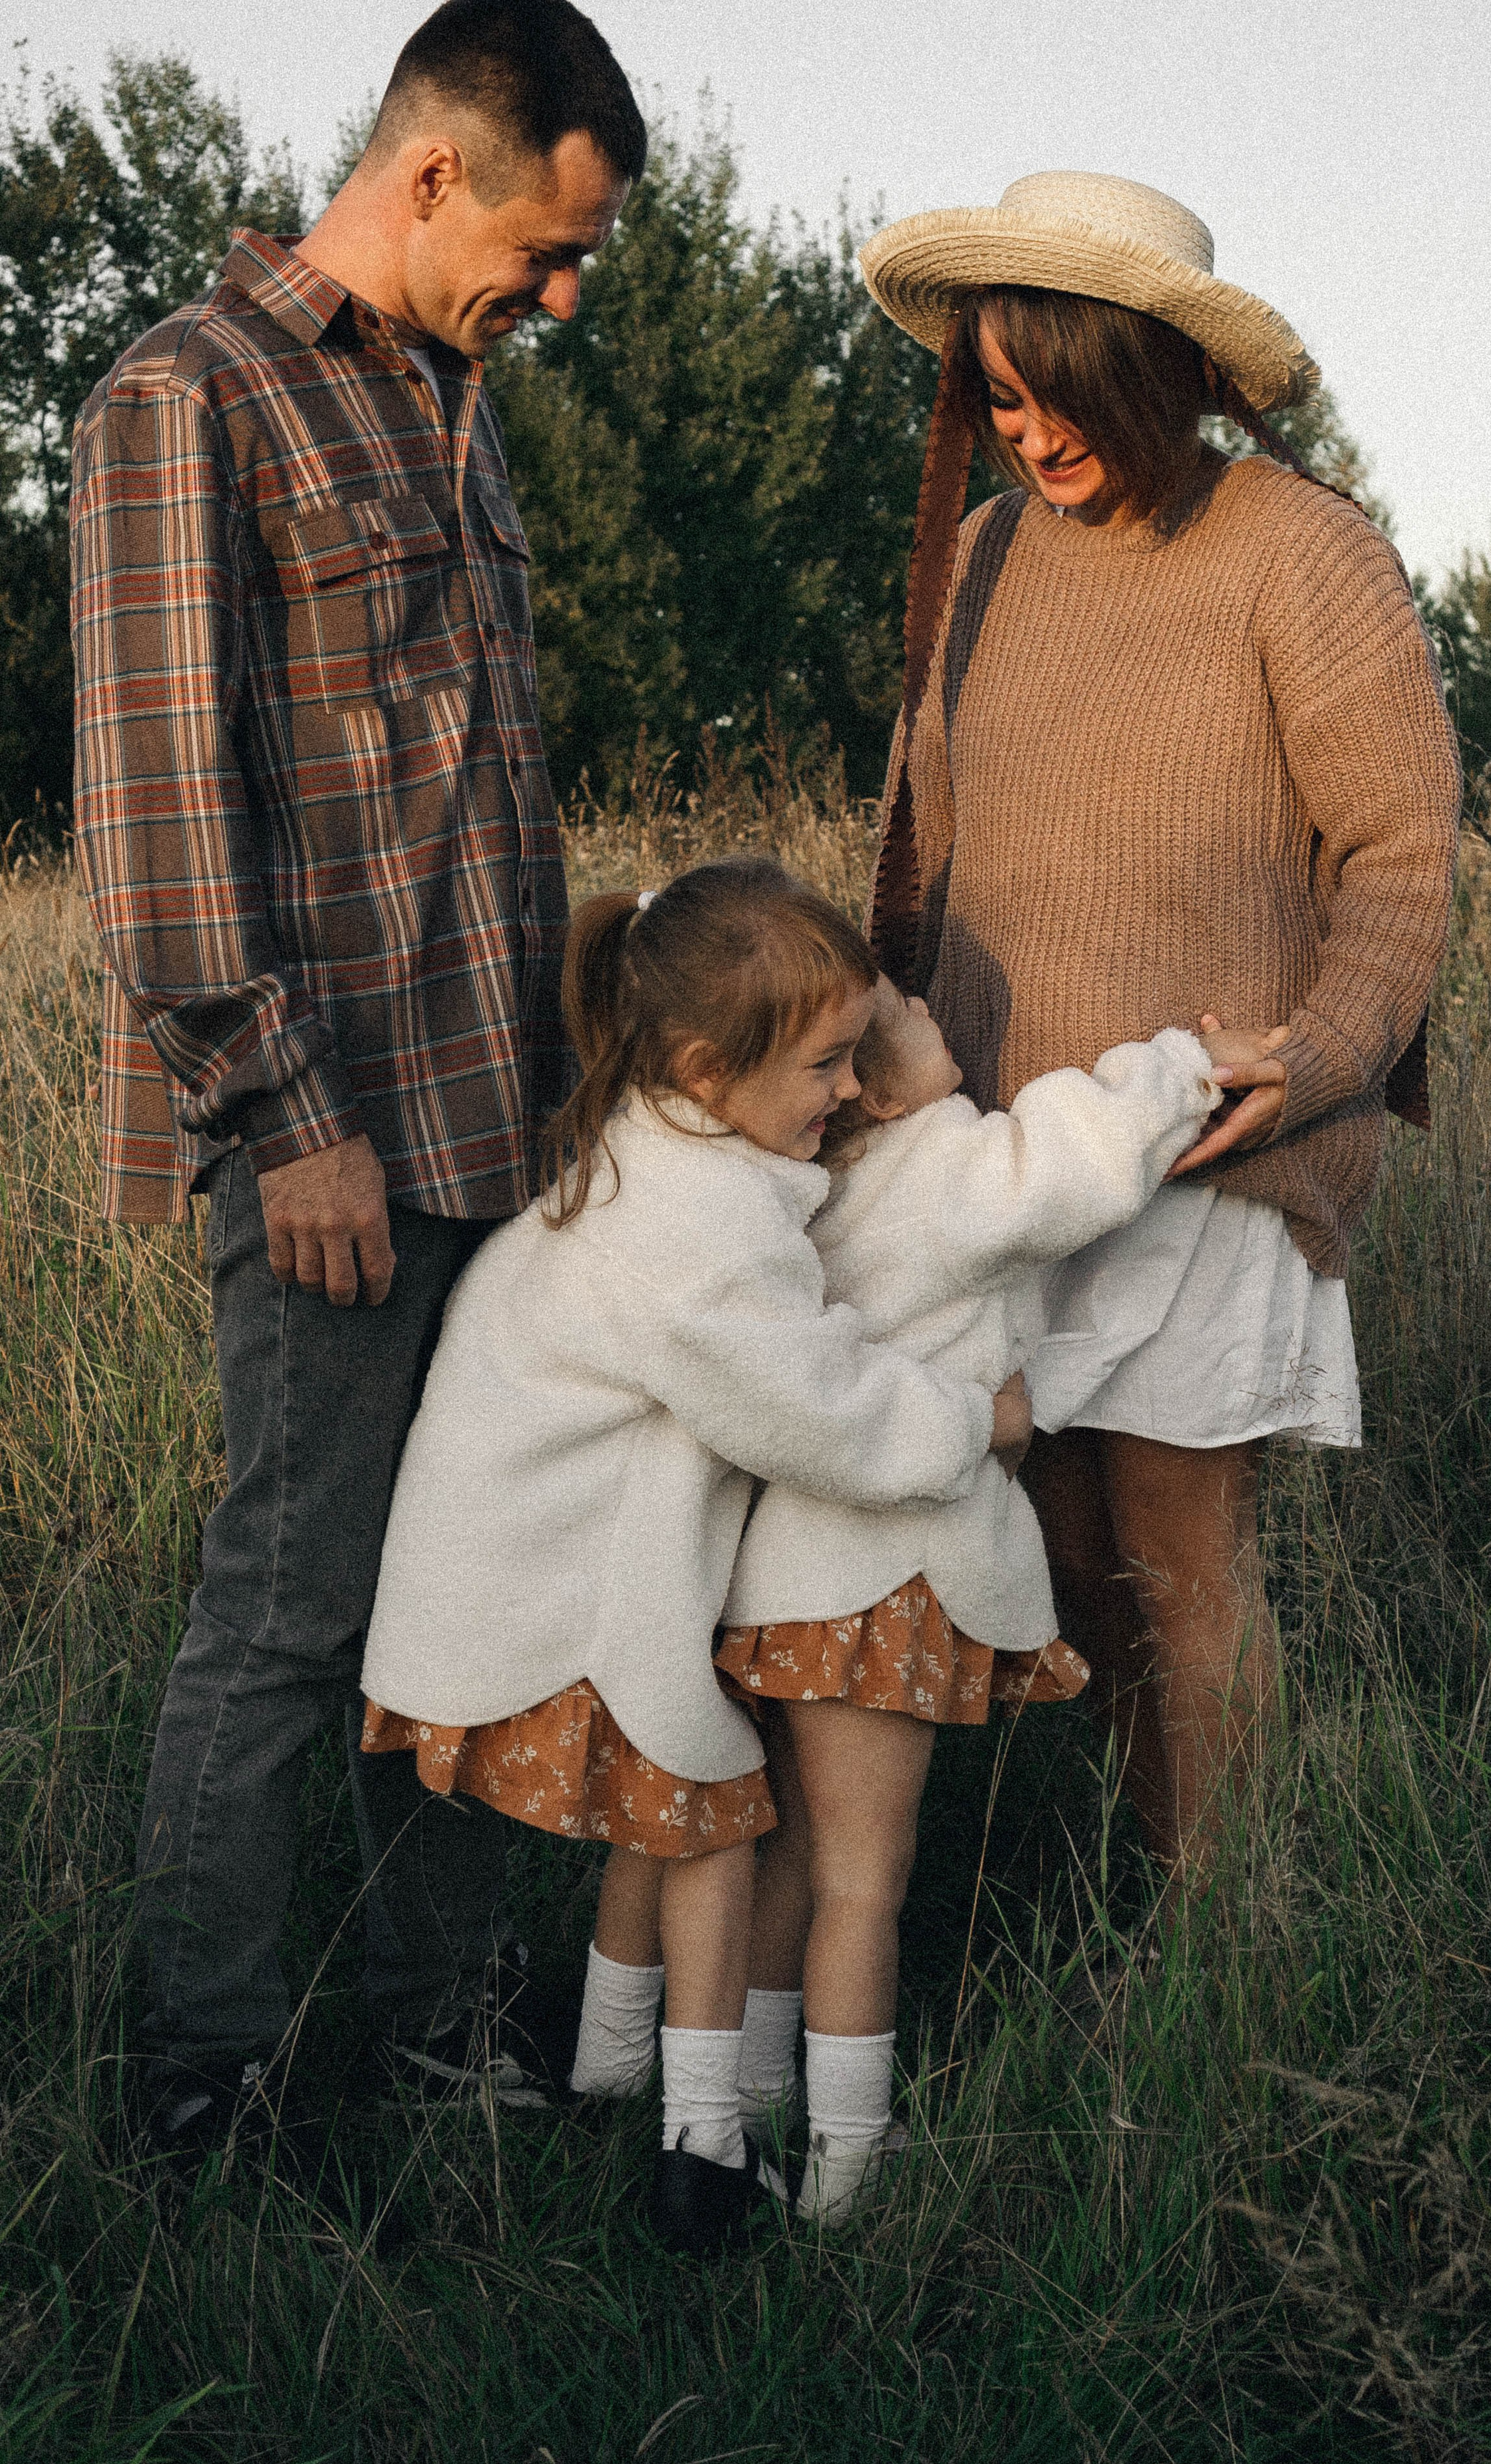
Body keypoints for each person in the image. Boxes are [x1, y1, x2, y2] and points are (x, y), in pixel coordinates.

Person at [69, 0, 647, 2163]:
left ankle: (442, 2040)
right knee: (292, 1621)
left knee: (476, 1604)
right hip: (327, 1149)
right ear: (430, 175)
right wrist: (279, 1115)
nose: (563, 297)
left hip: (504, 1138)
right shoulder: (183, 401)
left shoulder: (457, 409)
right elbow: (158, 810)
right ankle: (202, 2086)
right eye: (549, 245)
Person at [858, 173, 1462, 1912]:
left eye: (1060, 390)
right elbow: (932, 846)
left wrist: (1330, 1046)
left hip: (1205, 1145)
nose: (1029, 431)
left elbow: (1400, 851)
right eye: (999, 392)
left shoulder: (1295, 547)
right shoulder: (975, 564)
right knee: (1055, 1551)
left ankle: (1225, 1942)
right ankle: (1161, 1881)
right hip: (1000, 1168)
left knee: (1182, 1558)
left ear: (1161, 376)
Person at [357, 864, 1035, 2252]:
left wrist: (900, 1076)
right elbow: (823, 1415)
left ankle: (608, 2073)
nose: (846, 1093)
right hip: (553, 1594)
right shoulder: (699, 1233)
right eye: (824, 1065)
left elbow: (799, 1214)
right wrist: (978, 1419)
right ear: (702, 1067)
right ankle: (700, 2148)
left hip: (515, 1565)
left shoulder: (658, 1140)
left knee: (664, 1816)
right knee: (719, 1820)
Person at [713, 979, 1248, 2221]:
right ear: (875, 1089)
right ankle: (846, 2160)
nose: (921, 993)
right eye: (891, 1008)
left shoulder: (791, 1186)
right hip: (885, 1586)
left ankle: (746, 2113)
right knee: (864, 1881)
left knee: (790, 1851)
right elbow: (1074, 1162)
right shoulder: (937, 1165)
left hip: (780, 1578)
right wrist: (1184, 1062)